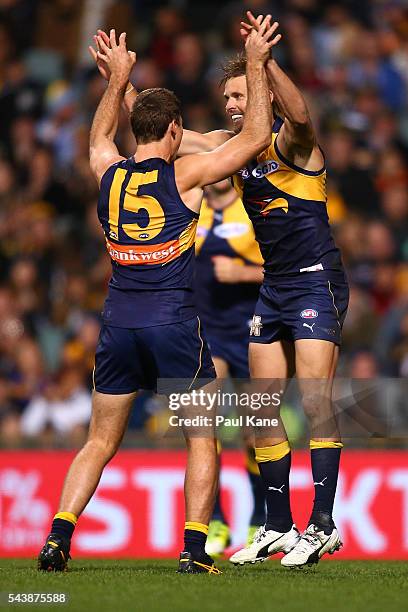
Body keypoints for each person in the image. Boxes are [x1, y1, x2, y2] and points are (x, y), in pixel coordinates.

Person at [103, 10, 348, 567]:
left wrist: (265, 63)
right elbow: (157, 126)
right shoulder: (225, 147)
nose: (235, 105)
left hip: (315, 283)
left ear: (261, 92)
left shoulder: (295, 144)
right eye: (230, 98)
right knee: (262, 412)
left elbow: (302, 112)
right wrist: (119, 78)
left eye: (243, 95)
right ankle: (277, 525)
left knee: (314, 402)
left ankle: (324, 523)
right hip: (275, 290)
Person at [38, 21, 277, 575]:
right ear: (173, 130)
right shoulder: (186, 177)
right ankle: (194, 550)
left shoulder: (108, 173)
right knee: (202, 439)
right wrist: (256, 64)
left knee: (99, 441)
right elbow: (255, 137)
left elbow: (98, 139)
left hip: (117, 325)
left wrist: (116, 81)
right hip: (174, 326)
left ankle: (57, 537)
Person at [195, 180, 266, 556]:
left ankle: (259, 519)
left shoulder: (250, 209)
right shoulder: (192, 206)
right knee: (204, 429)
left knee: (254, 433)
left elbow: (283, 269)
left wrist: (241, 272)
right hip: (207, 333)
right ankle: (216, 520)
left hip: (252, 332)